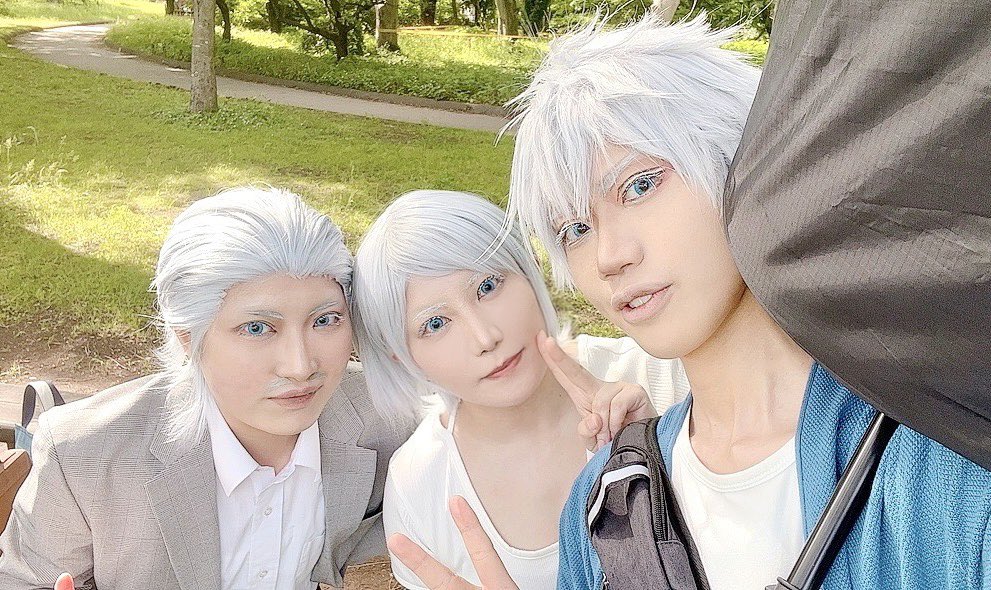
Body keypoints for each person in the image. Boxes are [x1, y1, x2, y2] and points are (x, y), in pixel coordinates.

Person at [391, 14, 991, 590]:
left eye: (639, 186)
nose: (608, 256)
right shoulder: (604, 509)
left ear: (743, 162)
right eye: (575, 229)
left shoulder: (936, 454)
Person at [0, 187, 413, 590]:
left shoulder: (400, 419)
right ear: (188, 338)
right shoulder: (83, 455)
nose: (301, 366)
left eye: (324, 320)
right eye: (257, 328)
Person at [351, 190, 690, 589]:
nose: (485, 337)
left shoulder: (665, 375)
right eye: (436, 324)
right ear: (399, 355)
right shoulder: (419, 484)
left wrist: (665, 457)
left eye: (488, 286)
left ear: (528, 270)